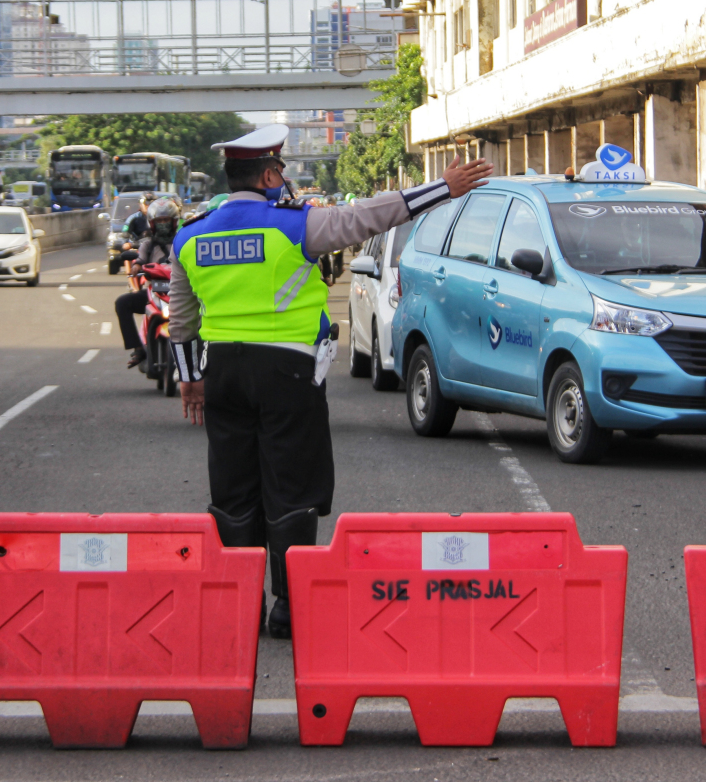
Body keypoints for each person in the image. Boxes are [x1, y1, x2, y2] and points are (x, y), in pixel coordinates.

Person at [167, 124, 492, 639]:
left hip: (222, 374)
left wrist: (189, 381)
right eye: (281, 171)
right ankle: (288, 608)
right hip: (287, 374)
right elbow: (370, 215)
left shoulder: (190, 234)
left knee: (233, 492)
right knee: (291, 487)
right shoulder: (296, 226)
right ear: (270, 174)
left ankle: (238, 605)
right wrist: (442, 189)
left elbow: (180, 320)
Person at [115, 196, 182, 368]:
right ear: (152, 223)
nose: (163, 224)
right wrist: (137, 266)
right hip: (155, 293)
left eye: (166, 219)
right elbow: (139, 260)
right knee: (122, 303)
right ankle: (138, 349)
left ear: (174, 221)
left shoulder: (184, 241)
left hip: (182, 293)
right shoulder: (147, 245)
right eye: (159, 220)